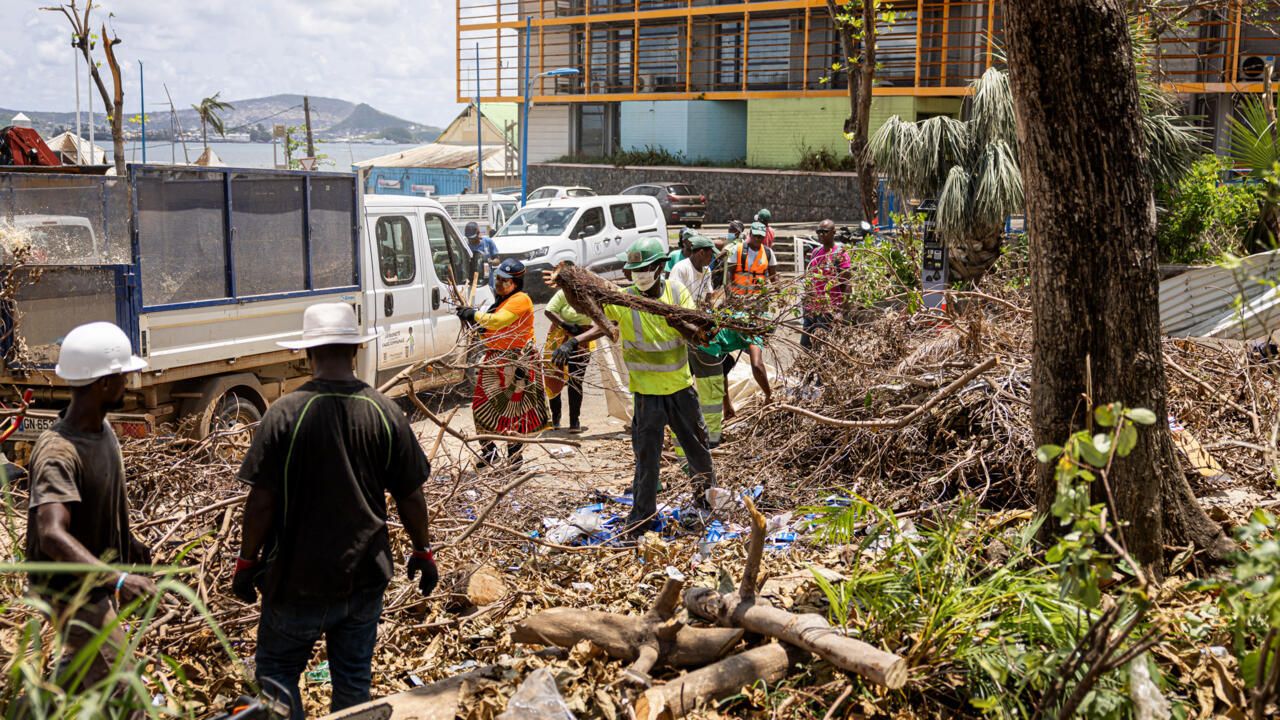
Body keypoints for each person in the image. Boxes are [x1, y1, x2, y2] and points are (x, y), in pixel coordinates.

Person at [232, 303, 437, 717]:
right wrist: (423, 550)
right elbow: (410, 495)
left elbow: (262, 501)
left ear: (308, 353)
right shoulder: (384, 411)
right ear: (355, 349)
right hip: (363, 578)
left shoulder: (284, 414)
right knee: (353, 683)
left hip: (295, 581)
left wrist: (246, 561)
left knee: (277, 679)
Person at [552, 237, 716, 535]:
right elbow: (603, 323)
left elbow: (697, 334)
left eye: (645, 269)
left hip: (680, 389)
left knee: (697, 451)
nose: (639, 275)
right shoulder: (623, 299)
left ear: (660, 267)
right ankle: (642, 516)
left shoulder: (676, 291)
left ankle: (707, 504)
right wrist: (574, 341)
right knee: (646, 459)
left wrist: (674, 319)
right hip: (646, 394)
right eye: (635, 270)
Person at [25, 321, 155, 687]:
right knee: (124, 693)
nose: (128, 383)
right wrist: (119, 579)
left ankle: (38, 707)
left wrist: (129, 544)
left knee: (80, 679)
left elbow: (100, 504)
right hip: (71, 593)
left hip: (94, 582)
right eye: (123, 377)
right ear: (104, 384)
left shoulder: (103, 430)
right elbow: (51, 534)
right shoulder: (58, 452)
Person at [456, 258, 549, 467]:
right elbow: (491, 328)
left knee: (512, 411)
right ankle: (489, 453)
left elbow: (498, 322)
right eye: (497, 278)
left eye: (504, 280)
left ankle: (515, 458)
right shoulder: (499, 302)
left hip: (516, 361)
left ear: (516, 282)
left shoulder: (521, 299)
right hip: (495, 360)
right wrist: (477, 325)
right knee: (481, 406)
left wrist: (474, 314)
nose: (499, 283)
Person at [669, 236, 728, 447]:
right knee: (685, 384)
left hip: (699, 330)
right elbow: (674, 305)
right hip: (684, 331)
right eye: (710, 254)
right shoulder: (681, 269)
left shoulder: (706, 271)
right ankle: (687, 434)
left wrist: (718, 305)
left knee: (708, 383)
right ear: (701, 252)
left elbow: (707, 299)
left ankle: (710, 435)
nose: (712, 258)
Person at [544, 264, 594, 433]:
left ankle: (574, 420)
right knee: (553, 375)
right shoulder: (562, 293)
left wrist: (579, 332)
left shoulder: (588, 293)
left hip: (582, 338)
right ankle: (555, 417)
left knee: (575, 380)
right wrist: (565, 325)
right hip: (560, 335)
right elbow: (549, 311)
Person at [803, 219, 853, 350]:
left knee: (822, 347)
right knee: (806, 345)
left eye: (824, 232)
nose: (821, 235)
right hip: (813, 308)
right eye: (818, 232)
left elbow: (847, 285)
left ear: (833, 232)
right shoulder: (816, 252)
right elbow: (810, 279)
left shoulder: (840, 255)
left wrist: (840, 311)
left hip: (830, 308)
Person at [725, 221, 779, 299]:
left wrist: (780, 293)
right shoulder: (737, 249)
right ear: (750, 234)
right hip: (738, 298)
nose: (757, 238)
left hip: (759, 298)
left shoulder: (768, 252)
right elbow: (729, 273)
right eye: (755, 235)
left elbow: (773, 276)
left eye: (760, 236)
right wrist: (729, 294)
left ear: (764, 237)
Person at [465, 220, 500, 290]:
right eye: (469, 238)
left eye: (473, 238)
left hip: (488, 284)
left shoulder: (488, 242)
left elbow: (497, 261)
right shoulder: (466, 246)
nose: (471, 240)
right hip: (472, 284)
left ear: (478, 233)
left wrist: (490, 262)